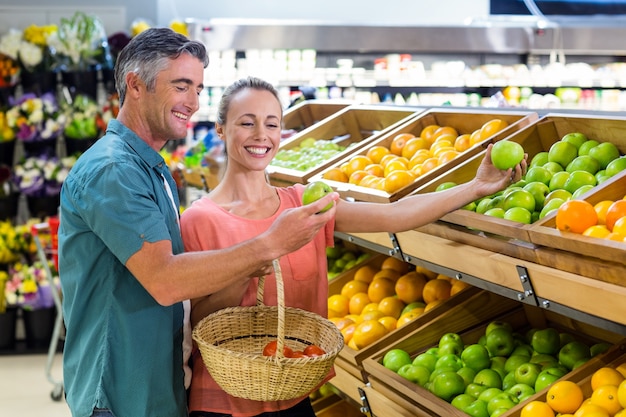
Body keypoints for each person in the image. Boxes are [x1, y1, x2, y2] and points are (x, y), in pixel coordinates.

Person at [180, 76, 527, 417]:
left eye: (272, 124)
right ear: (222, 129)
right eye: (246, 122)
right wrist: (259, 254)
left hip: (293, 396)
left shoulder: (305, 207)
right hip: (224, 403)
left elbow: (395, 215)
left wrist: (475, 187)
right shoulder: (200, 220)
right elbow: (199, 322)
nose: (261, 135)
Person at [57, 29, 338, 417]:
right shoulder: (114, 170)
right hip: (119, 394)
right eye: (181, 86)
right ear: (135, 86)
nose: (193, 102)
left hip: (153, 387)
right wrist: (268, 245)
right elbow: (165, 280)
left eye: (199, 88)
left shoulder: (150, 169)